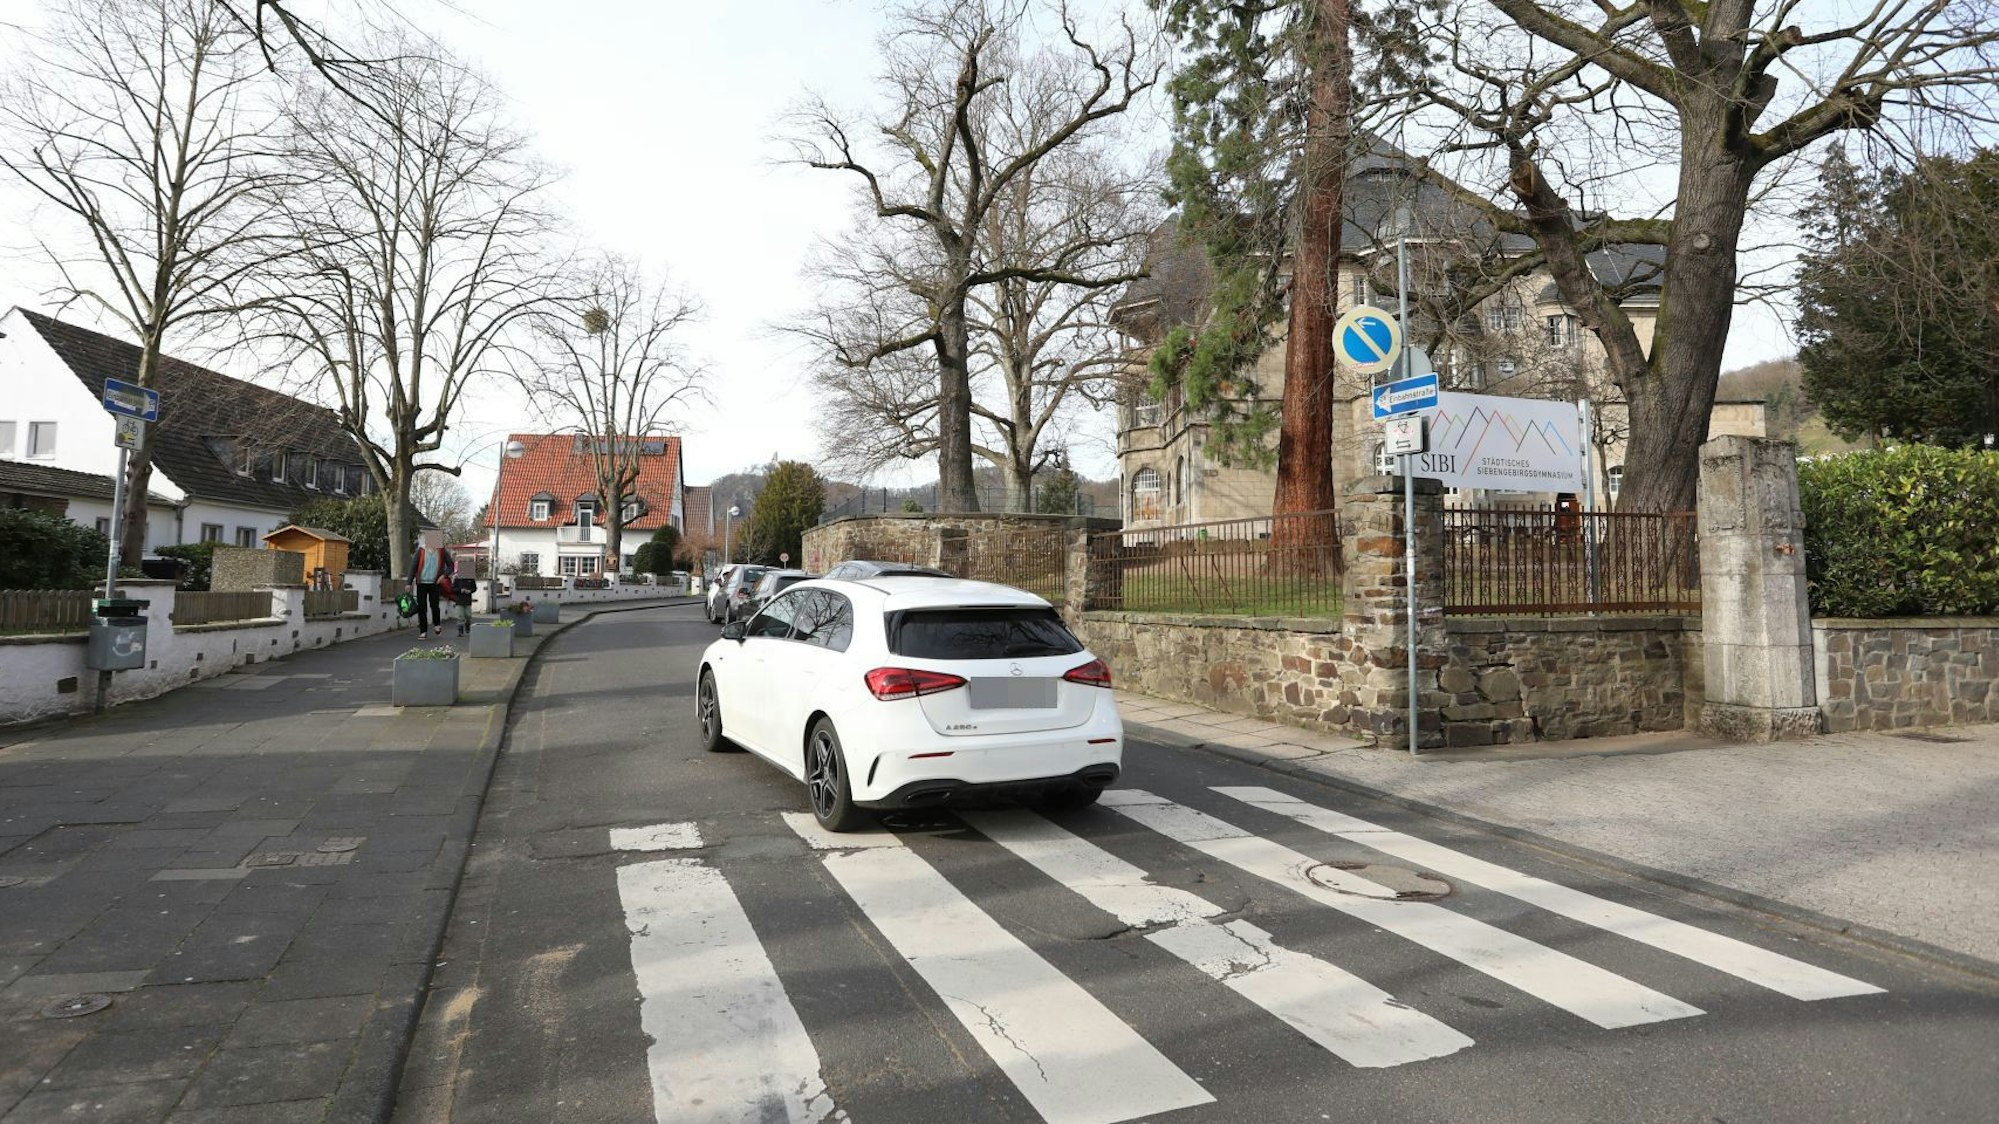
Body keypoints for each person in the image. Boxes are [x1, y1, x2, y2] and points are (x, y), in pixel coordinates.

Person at [409, 531, 455, 638]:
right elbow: (413, 567)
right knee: (422, 607)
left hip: (435, 583)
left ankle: (437, 624)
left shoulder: (442, 551)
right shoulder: (421, 551)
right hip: (421, 583)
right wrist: (408, 583)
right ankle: (423, 631)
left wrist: (443, 576)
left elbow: (451, 566)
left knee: (434, 605)